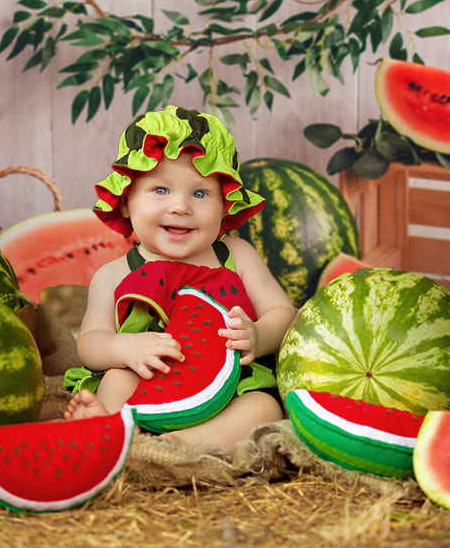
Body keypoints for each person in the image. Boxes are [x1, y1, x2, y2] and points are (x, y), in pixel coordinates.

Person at [63, 105, 297, 449]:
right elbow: (89, 343)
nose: (180, 207)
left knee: (263, 406)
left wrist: (257, 336)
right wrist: (124, 347)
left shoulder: (238, 255)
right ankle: (112, 427)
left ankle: (182, 444)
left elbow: (284, 313)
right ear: (126, 202)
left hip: (227, 386)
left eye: (200, 194)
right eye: (160, 190)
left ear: (224, 205)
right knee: (115, 379)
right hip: (146, 382)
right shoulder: (113, 275)